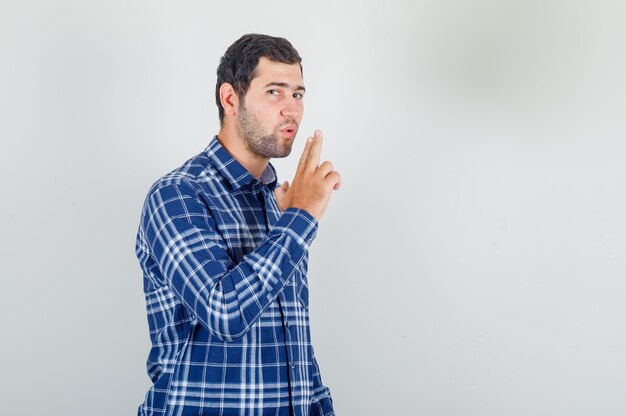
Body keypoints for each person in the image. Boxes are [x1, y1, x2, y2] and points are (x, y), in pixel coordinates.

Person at [135, 33, 340, 416]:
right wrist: (301, 218)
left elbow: (295, 344)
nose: (291, 110)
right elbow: (224, 312)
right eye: (275, 92)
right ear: (230, 99)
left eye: (297, 94)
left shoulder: (279, 200)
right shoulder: (178, 195)